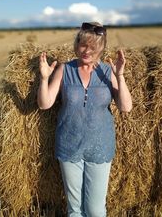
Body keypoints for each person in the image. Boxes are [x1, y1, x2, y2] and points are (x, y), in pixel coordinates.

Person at [37, 21, 132, 216]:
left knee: (95, 210)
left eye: (93, 47)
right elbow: (44, 104)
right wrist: (44, 78)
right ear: (76, 44)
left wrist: (120, 77)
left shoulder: (107, 71)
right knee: (74, 209)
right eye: (83, 44)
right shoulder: (65, 69)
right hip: (69, 145)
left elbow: (126, 107)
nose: (87, 51)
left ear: (101, 48)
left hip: (100, 147)